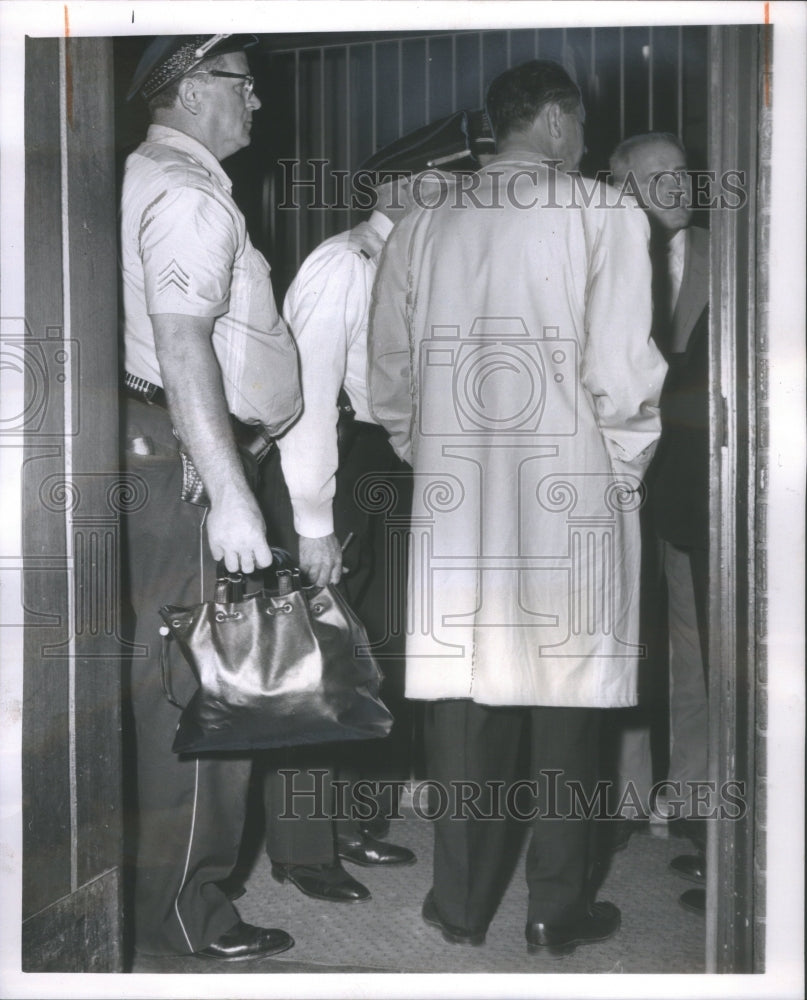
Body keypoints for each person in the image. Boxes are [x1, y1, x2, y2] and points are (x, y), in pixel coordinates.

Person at [368, 60, 667, 954]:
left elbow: (386, 371)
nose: (583, 141)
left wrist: (423, 450)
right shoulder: (603, 211)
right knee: (567, 699)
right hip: (570, 484)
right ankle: (554, 910)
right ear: (557, 122)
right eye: (580, 126)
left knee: (466, 696)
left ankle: (459, 904)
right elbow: (623, 374)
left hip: (455, 493)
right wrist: (622, 472)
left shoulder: (423, 221)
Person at [259, 110, 495, 902]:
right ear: (408, 184)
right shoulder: (345, 263)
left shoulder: (424, 265)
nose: (463, 198)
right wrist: (313, 521)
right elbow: (305, 401)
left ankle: (358, 819)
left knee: (384, 656)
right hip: (340, 466)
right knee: (318, 662)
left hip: (397, 473)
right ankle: (303, 847)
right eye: (452, 183)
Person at [120, 34, 302, 960]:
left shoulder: (151, 177)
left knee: (175, 681)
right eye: (243, 84)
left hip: (170, 446)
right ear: (193, 91)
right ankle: (187, 916)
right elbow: (183, 343)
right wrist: (230, 491)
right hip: (193, 464)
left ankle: (164, 902)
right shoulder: (188, 194)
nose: (256, 100)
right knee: (205, 686)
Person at [609, 133, 710, 914]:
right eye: (657, 177)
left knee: (695, 651)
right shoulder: (601, 256)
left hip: (696, 487)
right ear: (621, 189)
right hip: (612, 485)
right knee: (616, 644)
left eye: (682, 173)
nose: (677, 186)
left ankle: (699, 810)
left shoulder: (727, 256)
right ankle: (619, 803)